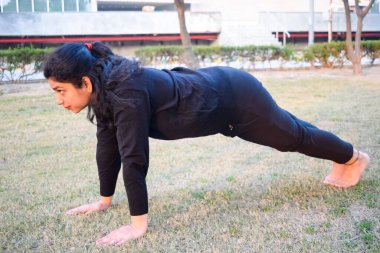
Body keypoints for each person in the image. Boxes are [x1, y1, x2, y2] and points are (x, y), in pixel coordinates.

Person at [43, 42, 370, 246]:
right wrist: (104, 201)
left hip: (235, 97)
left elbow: (134, 158)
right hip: (219, 99)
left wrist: (136, 226)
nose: (59, 100)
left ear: (84, 82)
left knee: (292, 138)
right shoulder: (106, 91)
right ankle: (344, 156)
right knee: (292, 130)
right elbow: (108, 146)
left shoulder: (124, 92)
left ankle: (353, 157)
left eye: (60, 90)